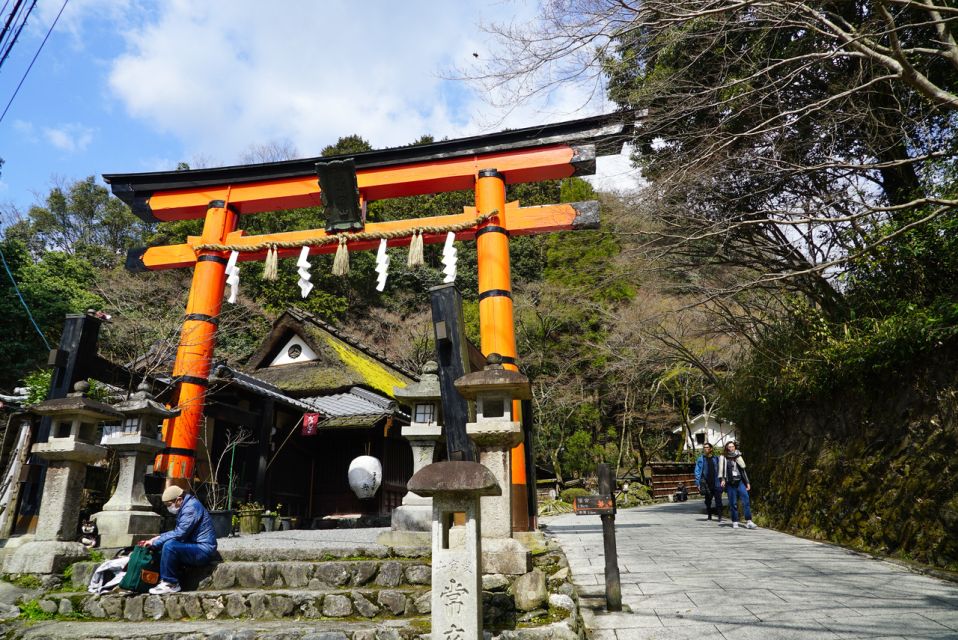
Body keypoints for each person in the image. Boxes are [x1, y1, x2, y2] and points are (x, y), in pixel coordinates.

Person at [140, 485, 218, 594]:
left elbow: (180, 533)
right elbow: (178, 531)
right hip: (193, 545)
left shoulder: (191, 507)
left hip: (203, 550)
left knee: (169, 546)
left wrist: (156, 542)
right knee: (164, 547)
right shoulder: (186, 506)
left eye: (169, 505)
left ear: (179, 500)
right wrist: (158, 538)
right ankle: (154, 580)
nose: (168, 508)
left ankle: (171, 583)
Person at [719, 442, 758, 530]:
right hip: (730, 483)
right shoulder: (723, 457)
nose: (731, 448)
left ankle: (749, 521)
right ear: (726, 448)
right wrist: (722, 479)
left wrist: (747, 482)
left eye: (733, 446)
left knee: (746, 500)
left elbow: (743, 469)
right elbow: (721, 470)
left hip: (740, 482)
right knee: (733, 503)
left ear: (735, 447)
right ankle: (735, 521)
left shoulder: (738, 455)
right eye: (729, 447)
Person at [694, 442, 723, 521]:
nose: (705, 449)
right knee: (708, 501)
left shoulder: (716, 458)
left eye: (707, 447)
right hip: (706, 483)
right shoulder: (701, 459)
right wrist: (698, 483)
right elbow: (697, 471)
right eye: (704, 447)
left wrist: (723, 480)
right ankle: (709, 515)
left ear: (711, 449)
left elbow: (721, 470)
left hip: (716, 482)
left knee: (718, 500)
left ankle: (720, 516)